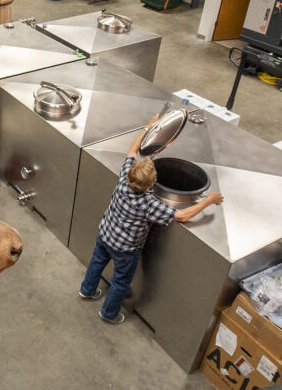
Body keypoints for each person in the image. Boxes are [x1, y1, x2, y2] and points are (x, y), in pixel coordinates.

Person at [78, 115, 225, 324]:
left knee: (97, 262)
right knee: (120, 282)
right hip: (125, 251)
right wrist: (209, 200)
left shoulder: (123, 179)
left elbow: (132, 151)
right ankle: (108, 313)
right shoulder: (150, 204)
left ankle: (87, 290)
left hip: (105, 234)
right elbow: (182, 216)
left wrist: (147, 129)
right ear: (152, 183)